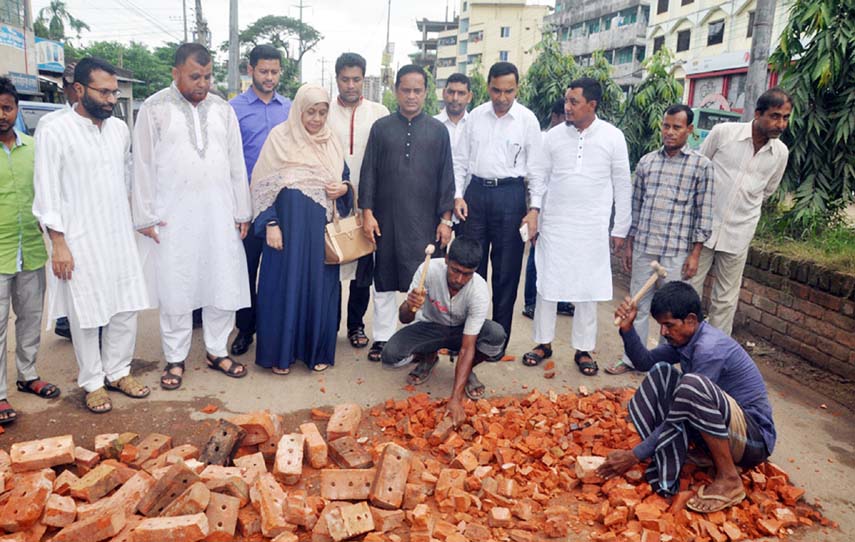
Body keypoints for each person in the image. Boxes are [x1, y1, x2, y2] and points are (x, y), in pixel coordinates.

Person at [33, 58, 150, 413]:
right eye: (104, 91)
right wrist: (58, 242)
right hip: (79, 237)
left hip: (117, 232)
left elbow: (126, 179)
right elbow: (47, 190)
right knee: (86, 313)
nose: (112, 99)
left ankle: (118, 371)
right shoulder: (54, 129)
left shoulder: (118, 130)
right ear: (80, 89)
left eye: (114, 91)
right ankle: (93, 381)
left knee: (125, 306)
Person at [133, 43, 252, 391]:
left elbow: (235, 162)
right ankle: (175, 356)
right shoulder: (154, 109)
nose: (203, 83)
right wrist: (145, 217)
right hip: (173, 214)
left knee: (222, 279)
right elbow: (140, 165)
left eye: (207, 76)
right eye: (194, 76)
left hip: (220, 211)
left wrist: (242, 210)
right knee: (176, 284)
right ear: (175, 73)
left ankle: (217, 350)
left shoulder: (222, 109)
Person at [599, 281, 775, 514]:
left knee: (690, 386)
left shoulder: (709, 348)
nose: (663, 332)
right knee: (662, 374)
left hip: (753, 442)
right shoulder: (685, 339)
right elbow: (644, 362)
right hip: (727, 430)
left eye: (669, 325)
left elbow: (680, 412)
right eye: (661, 325)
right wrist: (628, 328)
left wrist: (634, 455)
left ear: (691, 320)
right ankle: (685, 457)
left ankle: (729, 478)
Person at [522, 78, 631, 375]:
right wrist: (534, 213)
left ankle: (583, 349)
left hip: (592, 227)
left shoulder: (612, 137)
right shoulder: (553, 137)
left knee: (587, 288)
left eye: (573, 102)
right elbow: (539, 178)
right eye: (566, 101)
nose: (567, 107)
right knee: (546, 284)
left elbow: (622, 183)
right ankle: (543, 343)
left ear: (591, 105)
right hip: (554, 224)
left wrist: (620, 227)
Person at [606, 104, 714, 375]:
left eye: (677, 127)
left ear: (690, 130)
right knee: (638, 307)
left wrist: (695, 254)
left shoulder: (701, 166)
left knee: (675, 313)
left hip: (677, 252)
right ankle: (633, 360)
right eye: (666, 126)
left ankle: (671, 365)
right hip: (645, 248)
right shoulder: (647, 162)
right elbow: (637, 205)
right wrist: (630, 244)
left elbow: (704, 213)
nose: (670, 132)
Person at [250, 84, 351, 374]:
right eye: (311, 112)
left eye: (322, 112)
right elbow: (261, 185)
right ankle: (279, 355)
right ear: (298, 111)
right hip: (286, 231)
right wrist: (270, 223)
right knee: (283, 288)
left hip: (319, 233)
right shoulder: (279, 138)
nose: (317, 119)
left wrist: (342, 188)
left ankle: (315, 352)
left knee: (319, 290)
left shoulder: (331, 142)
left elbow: (344, 180)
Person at [359, 65, 455, 363]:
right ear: (396, 91)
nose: (411, 96)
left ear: (426, 93)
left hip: (425, 222)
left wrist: (445, 220)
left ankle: (421, 341)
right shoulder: (382, 127)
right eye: (405, 90)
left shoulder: (438, 131)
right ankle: (383, 338)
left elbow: (446, 178)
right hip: (387, 220)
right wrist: (367, 212)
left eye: (417, 90)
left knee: (424, 281)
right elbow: (369, 172)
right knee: (384, 278)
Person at [688, 88, 792, 335]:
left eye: (786, 117)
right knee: (689, 290)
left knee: (725, 301)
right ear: (757, 114)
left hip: (739, 233)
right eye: (775, 116)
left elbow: (767, 191)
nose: (781, 124)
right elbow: (699, 170)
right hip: (703, 229)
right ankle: (677, 350)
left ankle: (712, 356)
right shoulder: (724, 134)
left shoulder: (780, 154)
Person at [453, 62, 542, 346]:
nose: (502, 98)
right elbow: (460, 162)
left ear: (517, 88)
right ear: (487, 86)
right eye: (496, 90)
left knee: (506, 272)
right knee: (470, 268)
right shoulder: (475, 118)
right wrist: (457, 195)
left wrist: (534, 210)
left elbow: (537, 170)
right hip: (476, 195)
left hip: (511, 197)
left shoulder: (527, 120)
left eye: (509, 91)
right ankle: (467, 336)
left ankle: (497, 340)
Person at [381, 237, 505, 426]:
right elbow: (404, 318)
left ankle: (467, 369)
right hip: (430, 327)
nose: (459, 279)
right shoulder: (427, 270)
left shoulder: (479, 291)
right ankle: (429, 358)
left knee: (496, 335)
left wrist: (456, 399)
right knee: (391, 356)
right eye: (455, 270)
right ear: (447, 259)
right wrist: (409, 305)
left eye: (467, 274)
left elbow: (467, 346)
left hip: (462, 332)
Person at [0, 77, 60, 424]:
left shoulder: (34, 149)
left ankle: (28, 375)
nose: (2, 114)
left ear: (17, 109)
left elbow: (48, 195)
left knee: (31, 319)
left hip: (31, 250)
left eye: (7, 107)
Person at [228, 44, 292, 357]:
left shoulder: (290, 108)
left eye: (274, 72)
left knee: (278, 270)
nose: (269, 77)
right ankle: (245, 329)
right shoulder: (234, 109)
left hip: (284, 202)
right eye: (263, 71)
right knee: (246, 268)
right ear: (250, 70)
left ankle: (275, 328)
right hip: (247, 203)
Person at [327, 52, 389, 350]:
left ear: (363, 79)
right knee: (332, 263)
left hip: (368, 202)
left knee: (363, 268)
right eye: (345, 79)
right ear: (336, 79)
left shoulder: (379, 112)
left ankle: (355, 326)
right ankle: (329, 325)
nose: (350, 85)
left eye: (356, 79)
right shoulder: (323, 111)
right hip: (332, 201)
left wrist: (372, 205)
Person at [522, 98, 575, 320]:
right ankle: (531, 302)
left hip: (565, 212)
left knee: (563, 258)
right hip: (542, 208)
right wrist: (535, 210)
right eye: (565, 115)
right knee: (537, 255)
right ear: (555, 117)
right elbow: (534, 178)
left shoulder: (573, 142)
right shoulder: (543, 140)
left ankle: (560, 299)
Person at [40, 63, 78, 341]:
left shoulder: (110, 126)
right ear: (66, 88)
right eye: (72, 85)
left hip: (97, 215)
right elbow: (45, 181)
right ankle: (66, 319)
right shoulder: (51, 125)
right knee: (66, 272)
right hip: (66, 216)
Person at [434, 73, 471, 148]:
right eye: (451, 92)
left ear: (469, 97)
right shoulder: (432, 125)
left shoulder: (474, 125)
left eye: (461, 93)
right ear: (444, 93)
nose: (455, 98)